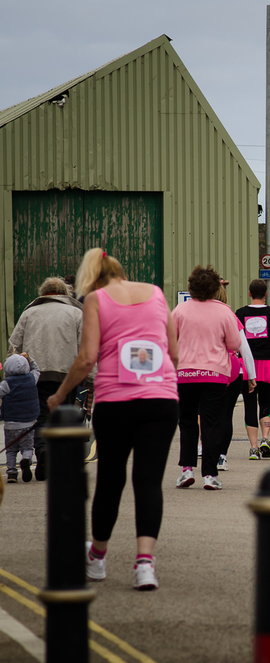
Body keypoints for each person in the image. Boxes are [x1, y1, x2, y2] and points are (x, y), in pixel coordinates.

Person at [47, 248, 179, 590]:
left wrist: (59, 396)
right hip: (160, 399)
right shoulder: (157, 293)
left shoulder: (97, 300)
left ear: (92, 275)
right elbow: (174, 353)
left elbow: (87, 357)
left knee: (110, 479)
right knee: (148, 482)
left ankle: (99, 557)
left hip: (116, 400)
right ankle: (145, 564)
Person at [172, 266, 246, 490]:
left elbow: (169, 341)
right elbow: (234, 344)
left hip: (185, 373)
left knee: (187, 422)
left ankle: (186, 470)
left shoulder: (180, 311)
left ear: (191, 286)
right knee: (212, 423)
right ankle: (210, 474)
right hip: (215, 375)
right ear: (215, 287)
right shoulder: (224, 312)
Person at [8, 276, 84, 481]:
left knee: (40, 415)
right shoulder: (76, 312)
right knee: (64, 417)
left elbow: (14, 344)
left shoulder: (29, 312)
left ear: (43, 292)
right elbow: (84, 347)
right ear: (65, 293)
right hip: (66, 375)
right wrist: (91, 378)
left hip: (35, 376)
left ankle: (42, 449)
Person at [235, 279, 270, 460]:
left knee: (248, 404)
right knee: (266, 401)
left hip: (247, 365)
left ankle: (254, 447)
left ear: (249, 293)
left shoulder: (240, 313)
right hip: (267, 364)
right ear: (265, 294)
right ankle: (265, 438)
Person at [214, 282, 256, 473]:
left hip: (210, 370)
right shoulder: (231, 316)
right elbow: (243, 347)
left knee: (210, 414)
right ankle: (222, 455)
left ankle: (208, 451)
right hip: (233, 370)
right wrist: (251, 375)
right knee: (227, 414)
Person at [2, 354, 40, 483]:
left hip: (10, 424)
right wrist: (30, 358)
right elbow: (37, 370)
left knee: (11, 450)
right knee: (28, 448)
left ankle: (12, 473)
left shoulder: (6, 384)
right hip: (29, 424)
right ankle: (26, 460)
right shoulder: (32, 379)